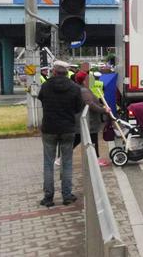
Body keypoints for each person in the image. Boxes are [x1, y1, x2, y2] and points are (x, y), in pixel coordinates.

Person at [37, 60, 84, 207]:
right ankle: (67, 196)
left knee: (48, 164)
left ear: (54, 72)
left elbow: (42, 101)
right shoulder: (75, 88)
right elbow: (78, 108)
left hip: (49, 129)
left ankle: (48, 198)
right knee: (67, 163)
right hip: (68, 129)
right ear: (67, 72)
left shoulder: (45, 86)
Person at [74, 71, 111, 166]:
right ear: (84, 81)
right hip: (89, 120)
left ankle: (96, 158)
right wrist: (103, 110)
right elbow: (90, 104)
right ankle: (96, 159)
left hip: (88, 120)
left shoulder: (82, 89)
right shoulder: (84, 91)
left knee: (79, 139)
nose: (90, 80)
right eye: (88, 78)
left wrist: (101, 106)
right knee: (90, 139)